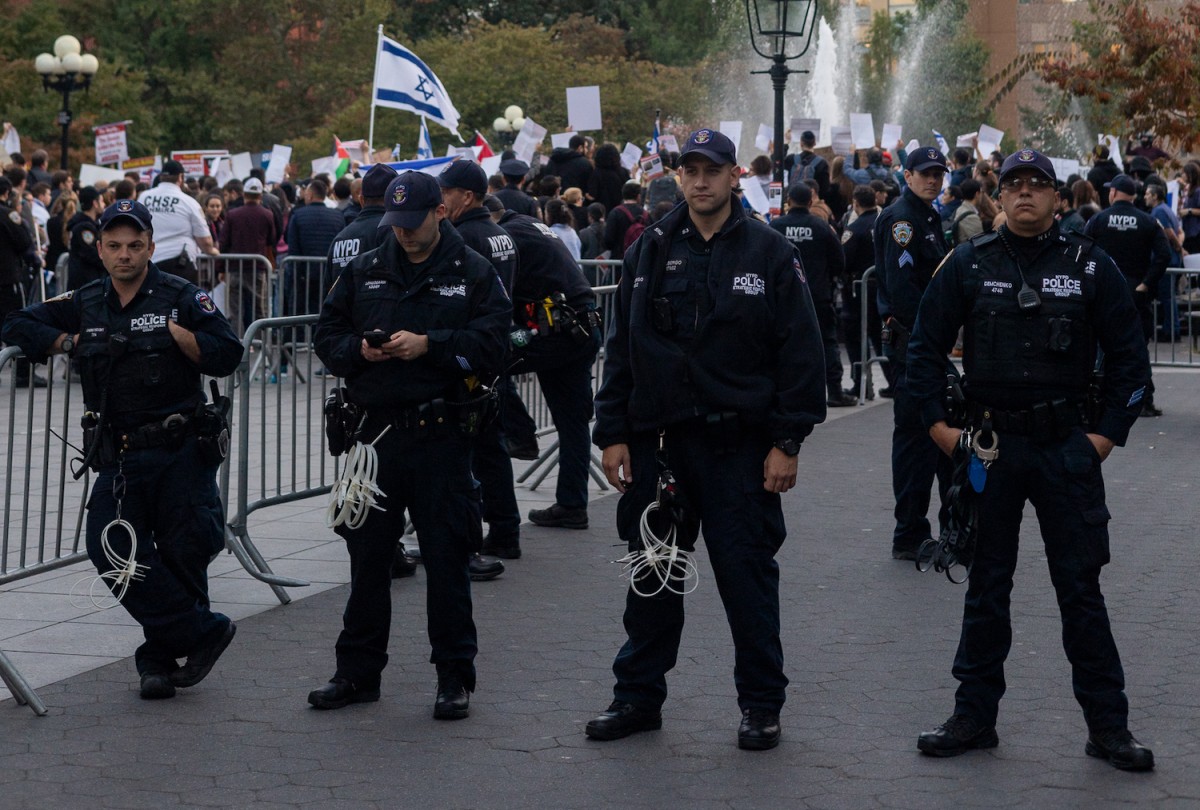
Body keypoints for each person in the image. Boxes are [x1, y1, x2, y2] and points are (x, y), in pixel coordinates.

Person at [906, 148, 1155, 772]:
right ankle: (973, 718)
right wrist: (938, 428)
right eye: (1013, 185)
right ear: (1001, 196)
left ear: (1055, 198)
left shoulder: (1092, 267)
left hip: (1065, 450)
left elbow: (1131, 363)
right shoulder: (967, 263)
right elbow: (922, 351)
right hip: (989, 449)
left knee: (1081, 590)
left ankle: (1109, 727)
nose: (1023, 195)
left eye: (1036, 186)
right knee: (987, 588)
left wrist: (1104, 438)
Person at [585, 128, 826, 751]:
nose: (699, 181)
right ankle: (636, 697)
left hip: (739, 449)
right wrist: (611, 433)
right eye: (689, 170)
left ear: (732, 174)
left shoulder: (770, 251)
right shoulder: (651, 246)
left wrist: (788, 441)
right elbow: (622, 349)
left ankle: (761, 705)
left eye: (711, 170)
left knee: (746, 582)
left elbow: (800, 353)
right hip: (659, 445)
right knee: (652, 578)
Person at [2, 199, 243, 700]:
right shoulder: (86, 300)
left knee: (183, 552)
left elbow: (228, 353)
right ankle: (202, 631)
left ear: (151, 247)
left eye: (135, 245)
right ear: (102, 249)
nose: (124, 255)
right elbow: (17, 323)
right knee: (110, 549)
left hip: (179, 447)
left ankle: (156, 662)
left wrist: (188, 342)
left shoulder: (182, 297)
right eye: (114, 245)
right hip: (120, 453)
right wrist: (65, 342)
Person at [309, 171, 509, 718]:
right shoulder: (366, 266)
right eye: (394, 223)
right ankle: (356, 672)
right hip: (374, 437)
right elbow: (326, 336)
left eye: (412, 222)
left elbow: (494, 345)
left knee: (447, 560)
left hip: (441, 436)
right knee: (368, 560)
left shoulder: (472, 271)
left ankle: (453, 677)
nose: (401, 233)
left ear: (440, 212)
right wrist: (359, 352)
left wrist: (431, 346)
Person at [436, 159, 520, 570]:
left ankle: (472, 539)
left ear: (466, 196)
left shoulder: (461, 237)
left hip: (470, 360)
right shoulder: (501, 233)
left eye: (445, 192)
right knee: (491, 449)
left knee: (468, 453)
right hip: (494, 355)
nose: (439, 200)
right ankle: (505, 531)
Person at [497, 200, 601, 531]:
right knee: (572, 424)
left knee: (486, 363)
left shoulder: (506, 236)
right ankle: (572, 504)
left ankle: (521, 433)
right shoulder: (529, 225)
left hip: (556, 332)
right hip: (578, 328)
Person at [874, 146, 954, 561]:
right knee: (915, 442)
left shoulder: (927, 215)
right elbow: (904, 293)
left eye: (938, 173)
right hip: (913, 347)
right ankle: (909, 533)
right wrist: (929, 339)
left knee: (933, 439)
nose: (933, 180)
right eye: (925, 173)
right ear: (907, 176)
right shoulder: (903, 220)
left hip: (926, 346)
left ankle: (940, 530)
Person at [1085, 174, 1171, 417]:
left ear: (1113, 193)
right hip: (1135, 294)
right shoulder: (1147, 221)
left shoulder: (1098, 220)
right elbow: (1163, 255)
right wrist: (1146, 283)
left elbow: (1081, 251)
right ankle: (1143, 400)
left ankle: (1099, 396)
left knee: (1102, 348)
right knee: (1137, 349)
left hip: (1104, 294)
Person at [770, 182, 853, 407]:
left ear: (788, 201)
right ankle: (834, 391)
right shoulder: (821, 227)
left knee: (785, 345)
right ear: (810, 202)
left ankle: (786, 393)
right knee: (827, 343)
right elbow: (839, 261)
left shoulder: (776, 227)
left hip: (784, 297)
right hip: (817, 295)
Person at [136, 160, 218, 283]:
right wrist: (212, 251)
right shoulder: (188, 202)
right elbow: (205, 240)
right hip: (179, 265)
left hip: (149, 262)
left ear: (162, 176)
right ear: (181, 177)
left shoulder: (143, 197)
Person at [840, 184, 883, 399]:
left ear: (856, 203)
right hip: (881, 289)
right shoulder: (885, 224)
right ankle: (893, 381)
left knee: (856, 338)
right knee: (879, 336)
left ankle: (861, 384)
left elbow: (843, 261)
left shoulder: (854, 230)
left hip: (859, 291)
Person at [68, 187, 106, 291]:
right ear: (95, 203)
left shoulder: (93, 224)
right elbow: (90, 253)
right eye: (102, 201)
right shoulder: (83, 228)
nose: (104, 205)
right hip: (86, 282)